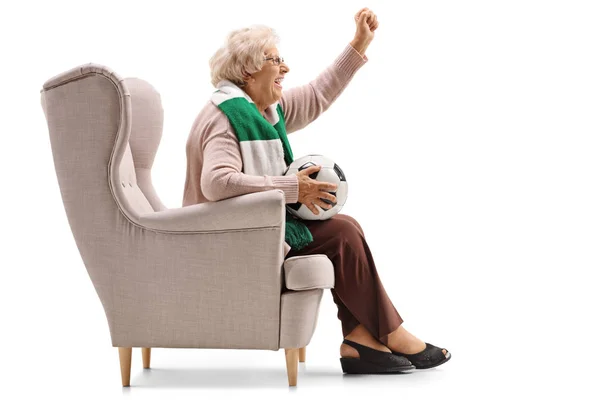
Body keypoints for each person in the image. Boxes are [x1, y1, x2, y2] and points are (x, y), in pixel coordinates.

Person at [182, 7, 451, 374]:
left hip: (252, 228)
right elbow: (216, 183)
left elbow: (317, 94)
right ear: (248, 70)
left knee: (346, 228)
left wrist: (357, 45)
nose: (285, 68)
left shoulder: (262, 112)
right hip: (228, 236)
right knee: (342, 233)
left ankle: (360, 341)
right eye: (275, 60)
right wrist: (293, 188)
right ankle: (387, 333)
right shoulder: (226, 116)